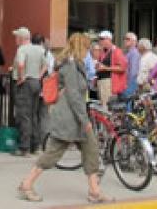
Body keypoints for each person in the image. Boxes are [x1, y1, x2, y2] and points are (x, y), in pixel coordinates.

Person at [18, 33, 111, 204]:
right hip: (69, 119)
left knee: (91, 151)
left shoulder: (76, 65)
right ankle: (26, 184)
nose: (89, 52)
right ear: (80, 47)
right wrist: (85, 121)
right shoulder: (70, 66)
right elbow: (74, 96)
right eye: (86, 48)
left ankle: (94, 191)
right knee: (52, 154)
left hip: (76, 118)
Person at [12, 26, 47, 156]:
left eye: (16, 37)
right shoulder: (39, 49)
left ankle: (24, 147)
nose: (15, 39)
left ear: (21, 38)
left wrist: (22, 77)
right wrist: (39, 76)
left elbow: (21, 64)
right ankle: (35, 146)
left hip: (25, 84)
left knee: (24, 115)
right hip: (36, 82)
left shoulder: (22, 49)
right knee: (33, 114)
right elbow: (45, 65)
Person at [96, 30, 127, 109]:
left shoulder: (116, 51)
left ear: (108, 39)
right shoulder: (103, 51)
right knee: (103, 106)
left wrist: (106, 68)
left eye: (102, 39)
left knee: (107, 107)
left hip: (109, 83)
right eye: (99, 39)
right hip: (102, 82)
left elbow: (122, 68)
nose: (100, 41)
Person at [123, 32, 139, 99]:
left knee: (128, 103)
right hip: (127, 83)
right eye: (124, 39)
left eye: (127, 39)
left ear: (133, 41)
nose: (125, 40)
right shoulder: (128, 53)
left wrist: (128, 83)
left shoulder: (134, 53)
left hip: (131, 83)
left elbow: (133, 72)